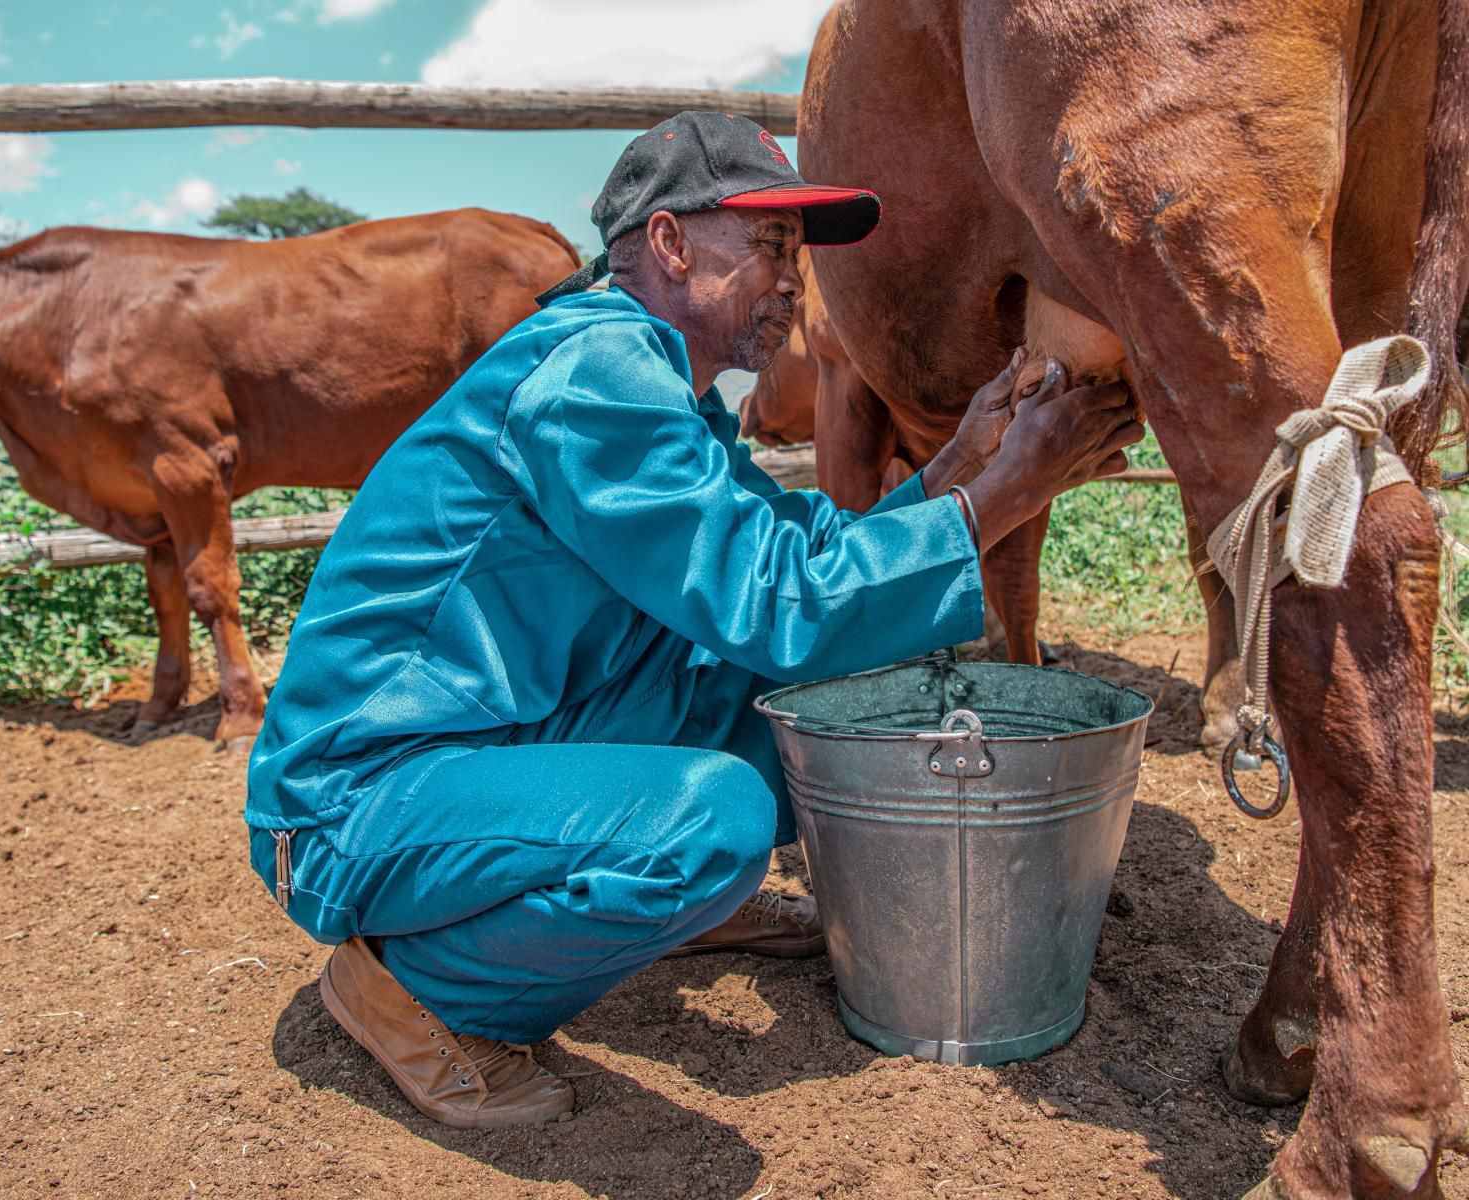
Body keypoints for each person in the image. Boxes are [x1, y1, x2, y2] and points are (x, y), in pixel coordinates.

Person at [244, 112, 1142, 1130]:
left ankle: (661, 909)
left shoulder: (657, 386)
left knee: (795, 720)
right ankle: (420, 993)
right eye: (769, 248)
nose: (792, 284)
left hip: (496, 743)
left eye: (795, 255)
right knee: (711, 822)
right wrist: (1004, 494)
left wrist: (952, 470)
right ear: (669, 244)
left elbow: (775, 557)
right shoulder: (594, 375)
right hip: (357, 801)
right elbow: (779, 606)